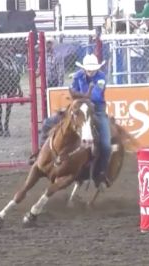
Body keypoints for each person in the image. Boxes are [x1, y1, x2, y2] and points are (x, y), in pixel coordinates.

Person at [29, 54, 111, 185]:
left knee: (106, 145)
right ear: (84, 68)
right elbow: (75, 92)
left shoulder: (101, 78)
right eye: (88, 69)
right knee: (48, 123)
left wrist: (79, 94)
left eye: (93, 69)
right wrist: (82, 95)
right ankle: (40, 153)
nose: (90, 71)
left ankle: (101, 172)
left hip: (97, 110)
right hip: (77, 108)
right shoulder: (79, 75)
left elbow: (94, 96)